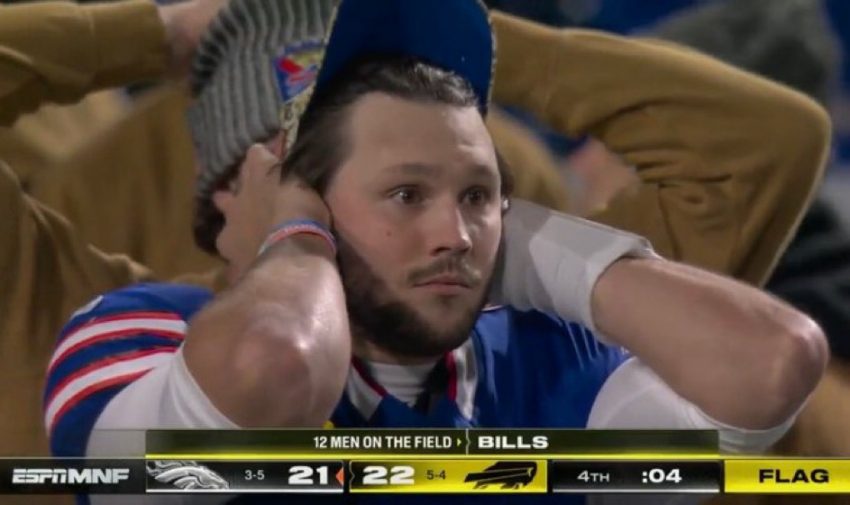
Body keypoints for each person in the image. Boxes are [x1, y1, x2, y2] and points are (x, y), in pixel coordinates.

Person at [0, 0, 829, 463]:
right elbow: (270, 362)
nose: (451, 231)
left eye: (475, 192)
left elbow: (767, 154)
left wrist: (433, 34)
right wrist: (156, 34)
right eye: (401, 190)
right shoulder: (103, 319)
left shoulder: (525, 348)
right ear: (245, 187)